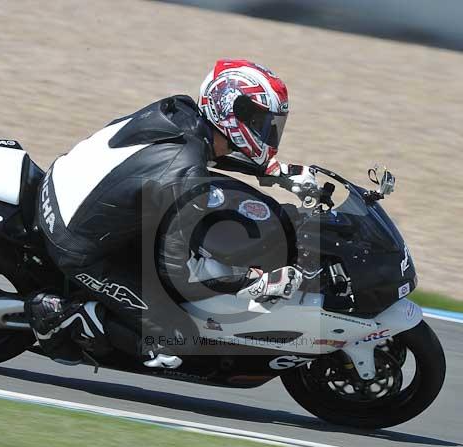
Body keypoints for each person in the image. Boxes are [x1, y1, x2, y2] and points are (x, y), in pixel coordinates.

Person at [26, 59, 316, 369]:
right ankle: (64, 315)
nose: (266, 132)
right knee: (179, 339)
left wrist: (274, 172)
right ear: (231, 111)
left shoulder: (181, 110)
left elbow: (203, 151)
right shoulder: (184, 172)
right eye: (259, 121)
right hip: (77, 246)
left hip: (67, 193)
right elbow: (179, 273)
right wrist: (250, 280)